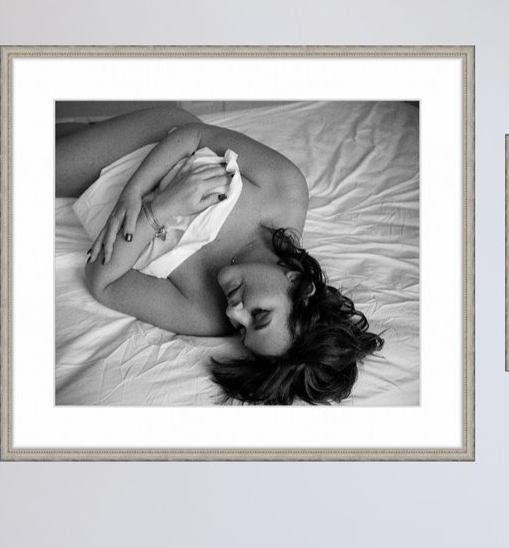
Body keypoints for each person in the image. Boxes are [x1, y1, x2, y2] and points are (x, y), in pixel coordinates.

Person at [57, 105, 382, 405]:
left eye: (242, 331)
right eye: (259, 315)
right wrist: (133, 192)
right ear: (296, 281)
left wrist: (163, 207)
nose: (235, 314)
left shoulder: (205, 313)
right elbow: (193, 135)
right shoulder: (286, 192)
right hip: (152, 144)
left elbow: (103, 283)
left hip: (100, 194)